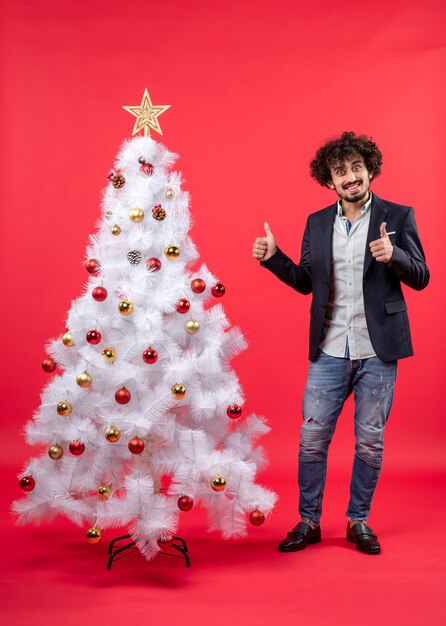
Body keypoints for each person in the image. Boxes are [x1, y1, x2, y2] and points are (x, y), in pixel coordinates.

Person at [253, 131, 429, 554]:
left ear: (370, 170)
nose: (350, 177)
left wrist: (396, 256)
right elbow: (305, 283)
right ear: (329, 181)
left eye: (356, 168)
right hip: (329, 348)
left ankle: (358, 521)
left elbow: (421, 276)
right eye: (340, 171)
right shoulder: (316, 223)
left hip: (378, 350)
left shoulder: (399, 216)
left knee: (370, 439)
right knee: (312, 438)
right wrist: (274, 258)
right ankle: (308, 521)